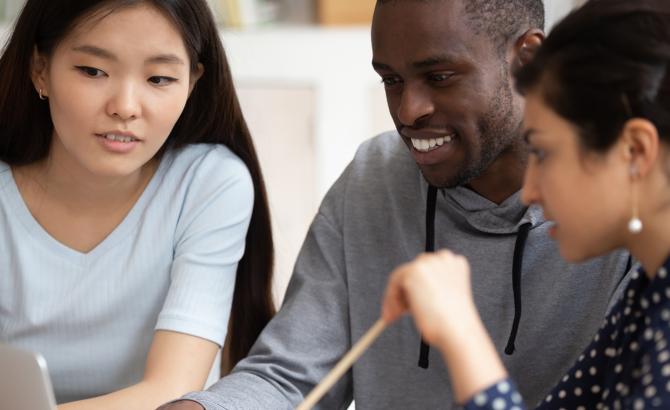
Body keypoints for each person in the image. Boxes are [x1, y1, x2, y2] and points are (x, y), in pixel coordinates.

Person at [161, 1, 630, 409]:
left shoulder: (620, 214)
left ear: (527, 59)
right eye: (391, 80)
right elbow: (290, 377)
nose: (408, 110)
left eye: (439, 77)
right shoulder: (374, 176)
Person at [380, 0, 670, 408]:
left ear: (636, 151)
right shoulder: (647, 294)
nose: (530, 192)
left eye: (546, 153)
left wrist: (461, 331)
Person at [0, 1, 274, 408]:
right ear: (40, 69)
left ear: (193, 81)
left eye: (159, 78)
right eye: (93, 71)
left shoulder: (208, 184)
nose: (125, 106)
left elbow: (171, 390)